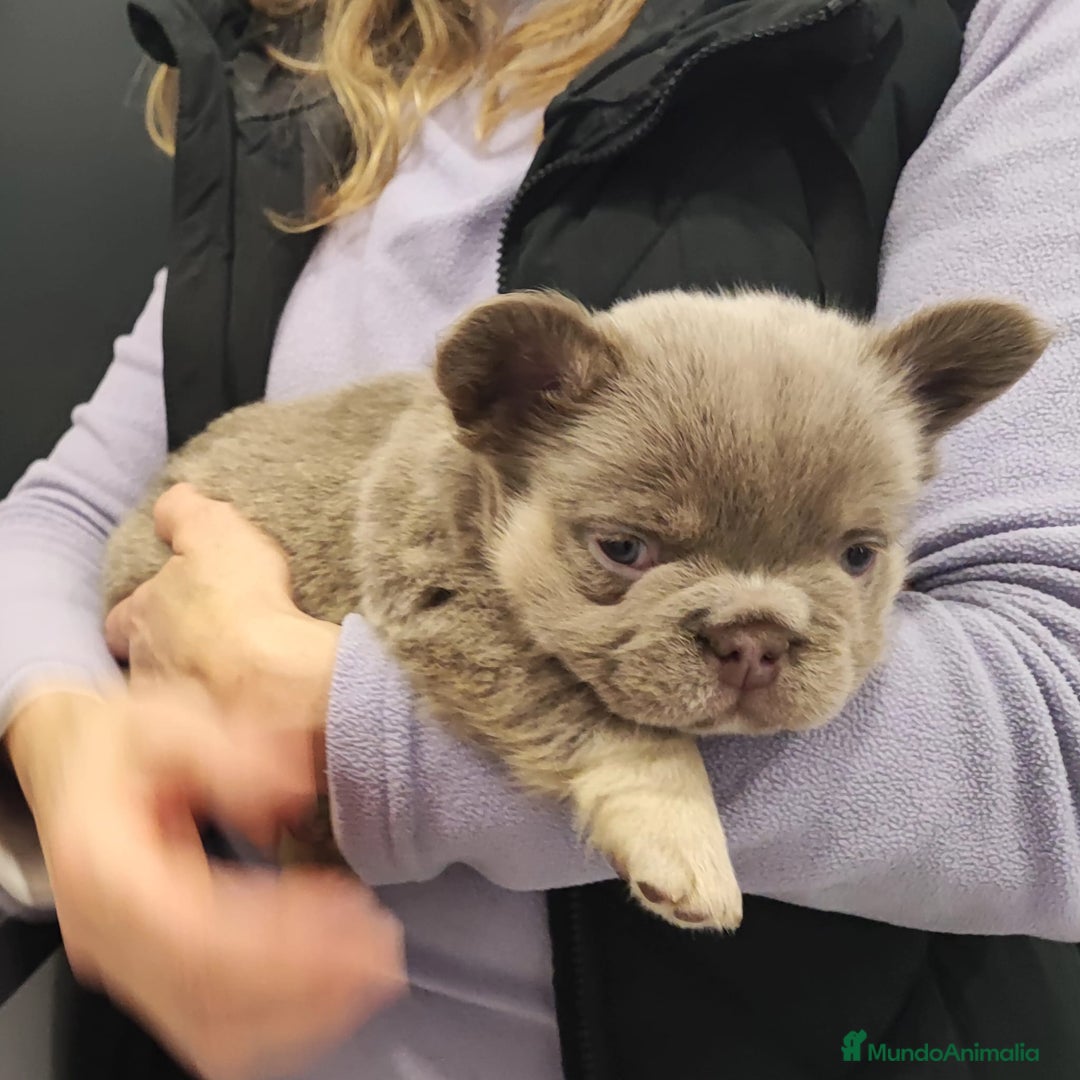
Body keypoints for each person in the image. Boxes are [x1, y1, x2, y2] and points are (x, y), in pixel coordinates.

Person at [2, 0, 1080, 1078]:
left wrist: (358, 723)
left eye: (853, 559)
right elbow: (71, 512)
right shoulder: (303, 67)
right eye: (628, 551)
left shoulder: (987, 26)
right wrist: (71, 755)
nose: (754, 642)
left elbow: (1060, 736)